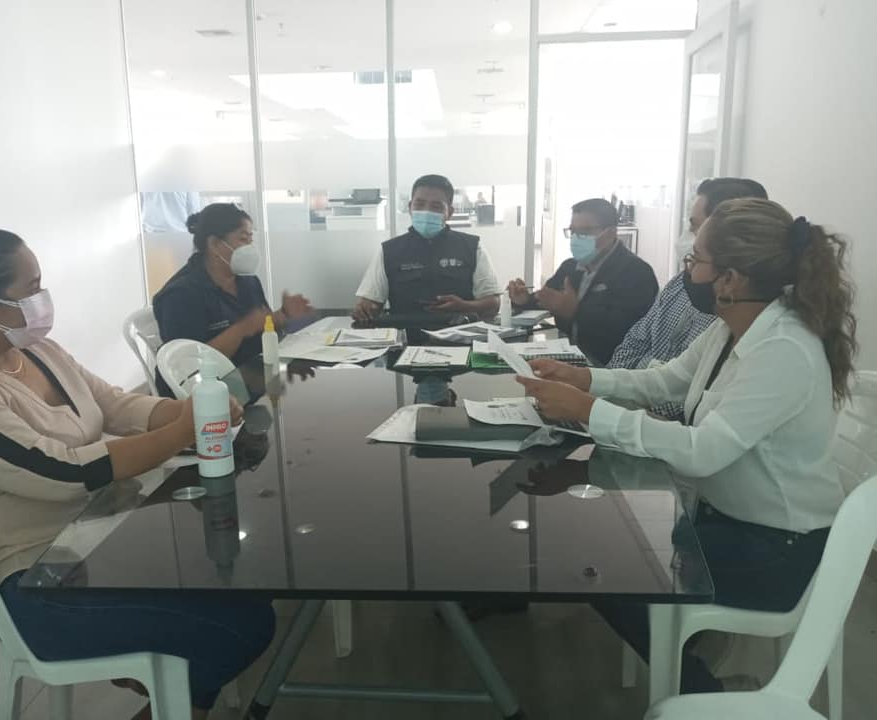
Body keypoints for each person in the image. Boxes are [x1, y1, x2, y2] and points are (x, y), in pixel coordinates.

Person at [0, 228, 275, 720]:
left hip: (97, 539)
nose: (44, 298)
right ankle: (171, 690)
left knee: (239, 581)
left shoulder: (37, 353)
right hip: (38, 585)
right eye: (32, 288)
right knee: (240, 625)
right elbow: (63, 473)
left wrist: (183, 410)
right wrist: (183, 429)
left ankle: (172, 691)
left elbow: (116, 404)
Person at [516, 198, 857, 692]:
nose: (686, 272)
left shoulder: (782, 349)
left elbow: (703, 451)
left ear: (731, 279)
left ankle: (703, 695)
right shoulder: (732, 329)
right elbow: (664, 381)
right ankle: (681, 657)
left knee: (606, 574)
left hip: (776, 549)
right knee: (604, 546)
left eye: (695, 259)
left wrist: (588, 410)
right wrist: (584, 378)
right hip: (723, 519)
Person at [606, 178, 769, 420]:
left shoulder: (735, 315)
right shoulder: (682, 287)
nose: (686, 238)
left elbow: (685, 408)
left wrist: (599, 409)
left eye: (694, 227)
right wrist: (595, 388)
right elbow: (638, 347)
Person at [153, 203, 314, 396]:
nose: (250, 248)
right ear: (214, 244)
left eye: (251, 240)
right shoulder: (180, 294)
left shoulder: (247, 281)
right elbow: (189, 366)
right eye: (243, 239)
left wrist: (282, 315)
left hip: (249, 378)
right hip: (202, 395)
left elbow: (261, 328)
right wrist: (243, 328)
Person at [507, 198, 658, 366]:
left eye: (585, 232)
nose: (576, 239)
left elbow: (629, 329)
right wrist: (524, 300)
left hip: (610, 367)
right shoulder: (570, 267)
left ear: (610, 233)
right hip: (568, 356)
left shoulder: (636, 272)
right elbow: (547, 299)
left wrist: (576, 311)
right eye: (573, 232)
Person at [352, 174, 500, 323]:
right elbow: (371, 303)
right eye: (419, 204)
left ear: (449, 213)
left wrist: (464, 306)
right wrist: (364, 310)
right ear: (410, 207)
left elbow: (493, 304)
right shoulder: (389, 251)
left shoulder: (472, 247)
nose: (426, 211)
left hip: (458, 333)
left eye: (436, 207)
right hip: (404, 334)